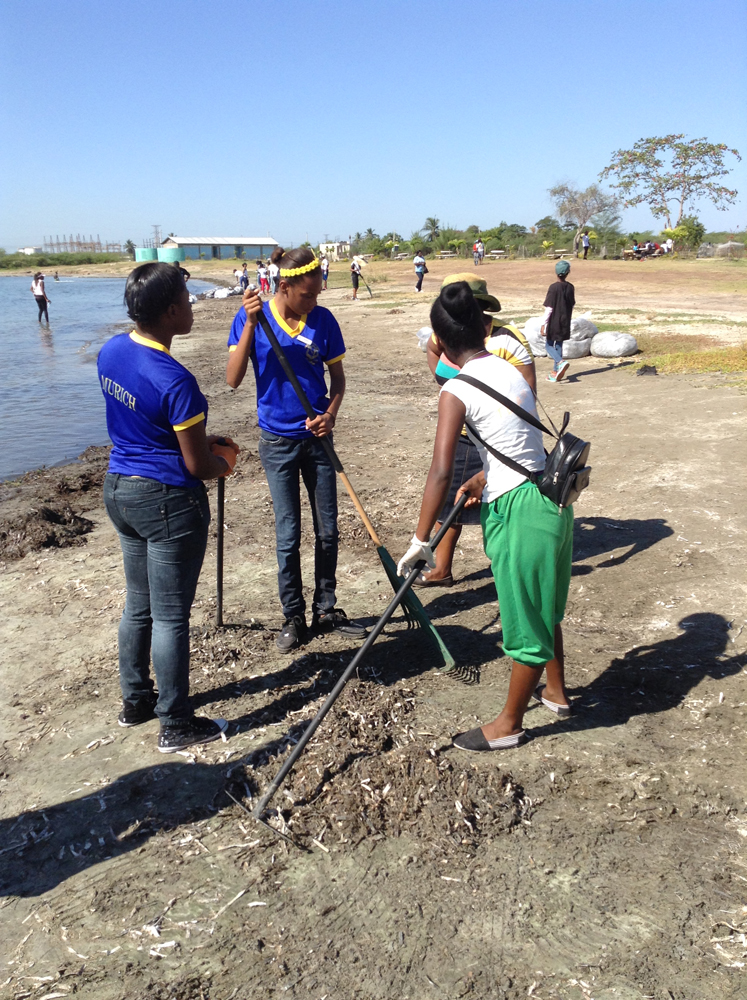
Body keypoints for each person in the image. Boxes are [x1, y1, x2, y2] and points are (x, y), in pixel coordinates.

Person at [397, 281, 573, 753]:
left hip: (520, 512)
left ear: (439, 341)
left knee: (525, 620)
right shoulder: (509, 367)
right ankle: (555, 692)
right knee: (543, 605)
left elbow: (439, 471)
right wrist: (483, 478)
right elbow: (518, 441)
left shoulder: (455, 390)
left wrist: (421, 540)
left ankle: (509, 725)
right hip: (551, 498)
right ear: (482, 327)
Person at [98, 262, 239, 753]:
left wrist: (203, 442)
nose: (191, 303)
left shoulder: (112, 351)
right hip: (166, 501)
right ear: (171, 311)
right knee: (171, 615)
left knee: (138, 603)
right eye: (185, 295)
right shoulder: (176, 380)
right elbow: (198, 465)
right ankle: (175, 723)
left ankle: (135, 701)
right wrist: (224, 463)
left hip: (120, 488)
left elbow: (145, 424)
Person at [226, 246, 367, 652]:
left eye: (318, 293)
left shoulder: (323, 320)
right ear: (284, 287)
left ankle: (326, 608)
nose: (314, 301)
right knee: (288, 534)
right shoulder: (250, 318)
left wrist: (331, 415)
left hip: (318, 439)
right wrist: (251, 324)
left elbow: (338, 380)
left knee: (328, 530)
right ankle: (293, 615)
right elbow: (233, 379)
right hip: (277, 442)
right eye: (307, 294)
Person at [420, 273, 535, 587]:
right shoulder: (444, 337)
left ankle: (506, 565)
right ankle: (443, 568)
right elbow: (432, 349)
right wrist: (447, 382)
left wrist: (419, 540)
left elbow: (527, 396)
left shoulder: (507, 340)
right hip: (463, 435)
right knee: (452, 502)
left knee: (497, 502)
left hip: (498, 440)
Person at [541, 260, 575, 382]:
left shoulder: (553, 288)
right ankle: (556, 372)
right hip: (565, 321)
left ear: (556, 272)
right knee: (559, 344)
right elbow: (572, 305)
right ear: (568, 272)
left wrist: (543, 324)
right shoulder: (570, 287)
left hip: (554, 321)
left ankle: (560, 362)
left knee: (549, 345)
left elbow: (549, 308)